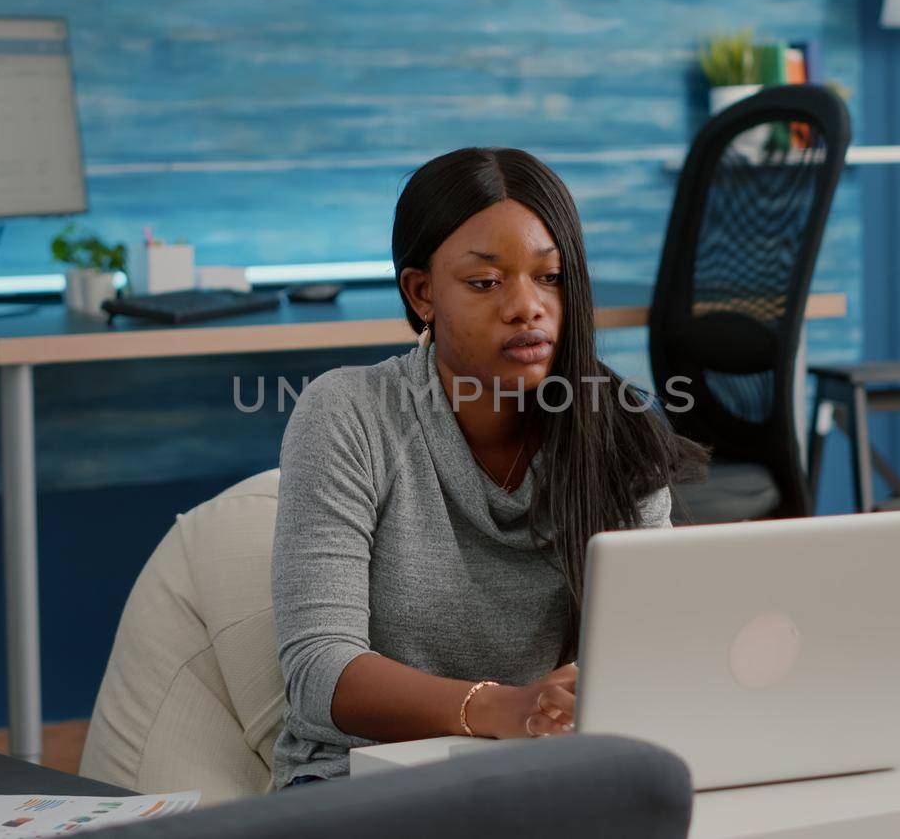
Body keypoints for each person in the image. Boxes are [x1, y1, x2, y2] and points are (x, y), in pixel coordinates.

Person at [270, 147, 709, 789]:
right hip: (358, 782)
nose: (526, 307)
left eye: (551, 277)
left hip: (545, 776)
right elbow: (317, 671)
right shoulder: (347, 413)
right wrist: (503, 706)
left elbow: (647, 649)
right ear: (421, 294)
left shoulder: (622, 430)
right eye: (485, 283)